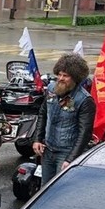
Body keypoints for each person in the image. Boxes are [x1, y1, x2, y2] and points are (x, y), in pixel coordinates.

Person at [31, 52, 96, 186]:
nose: (60, 78)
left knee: (60, 189)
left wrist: (71, 159)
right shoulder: (50, 90)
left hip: (66, 153)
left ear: (75, 78)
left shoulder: (85, 100)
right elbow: (43, 113)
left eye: (65, 76)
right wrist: (37, 139)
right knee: (45, 189)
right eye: (59, 74)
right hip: (48, 150)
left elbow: (85, 133)